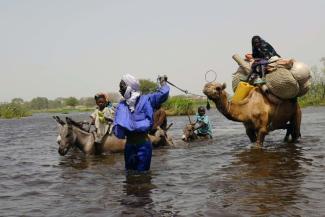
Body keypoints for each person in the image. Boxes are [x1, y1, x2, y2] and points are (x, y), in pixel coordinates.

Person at [113, 74, 170, 172]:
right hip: (129, 146)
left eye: (122, 87)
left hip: (143, 145)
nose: (120, 90)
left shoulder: (146, 99)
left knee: (143, 176)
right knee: (129, 176)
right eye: (119, 88)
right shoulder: (122, 105)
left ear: (130, 87)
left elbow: (163, 94)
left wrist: (163, 82)